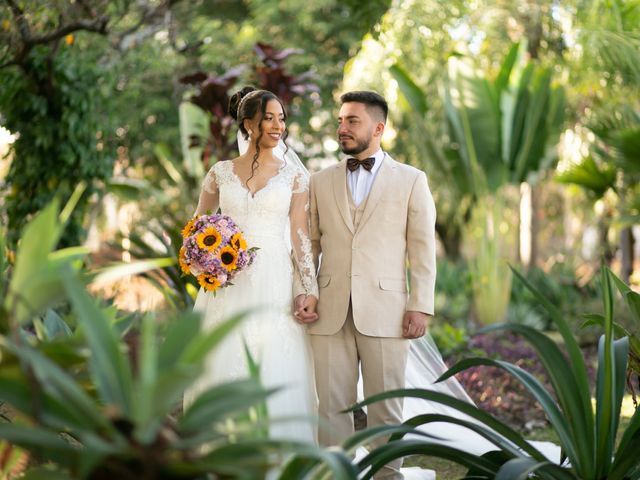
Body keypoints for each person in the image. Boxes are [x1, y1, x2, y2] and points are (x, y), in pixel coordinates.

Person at [295, 90, 437, 479]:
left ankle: (388, 475)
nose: (342, 128)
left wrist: (420, 305)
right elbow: (310, 244)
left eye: (352, 121)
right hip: (329, 310)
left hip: (388, 312)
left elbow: (423, 248)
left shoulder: (411, 180)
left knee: (385, 407)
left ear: (378, 127)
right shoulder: (319, 181)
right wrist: (305, 290)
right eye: (340, 120)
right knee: (331, 408)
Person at [183, 86, 319, 443]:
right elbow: (196, 228)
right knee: (222, 355)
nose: (278, 126)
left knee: (273, 354)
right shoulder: (219, 173)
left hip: (274, 278)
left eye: (282, 119)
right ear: (248, 123)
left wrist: (308, 288)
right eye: (269, 118)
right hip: (228, 283)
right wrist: (204, 263)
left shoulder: (295, 177)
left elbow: (301, 236)